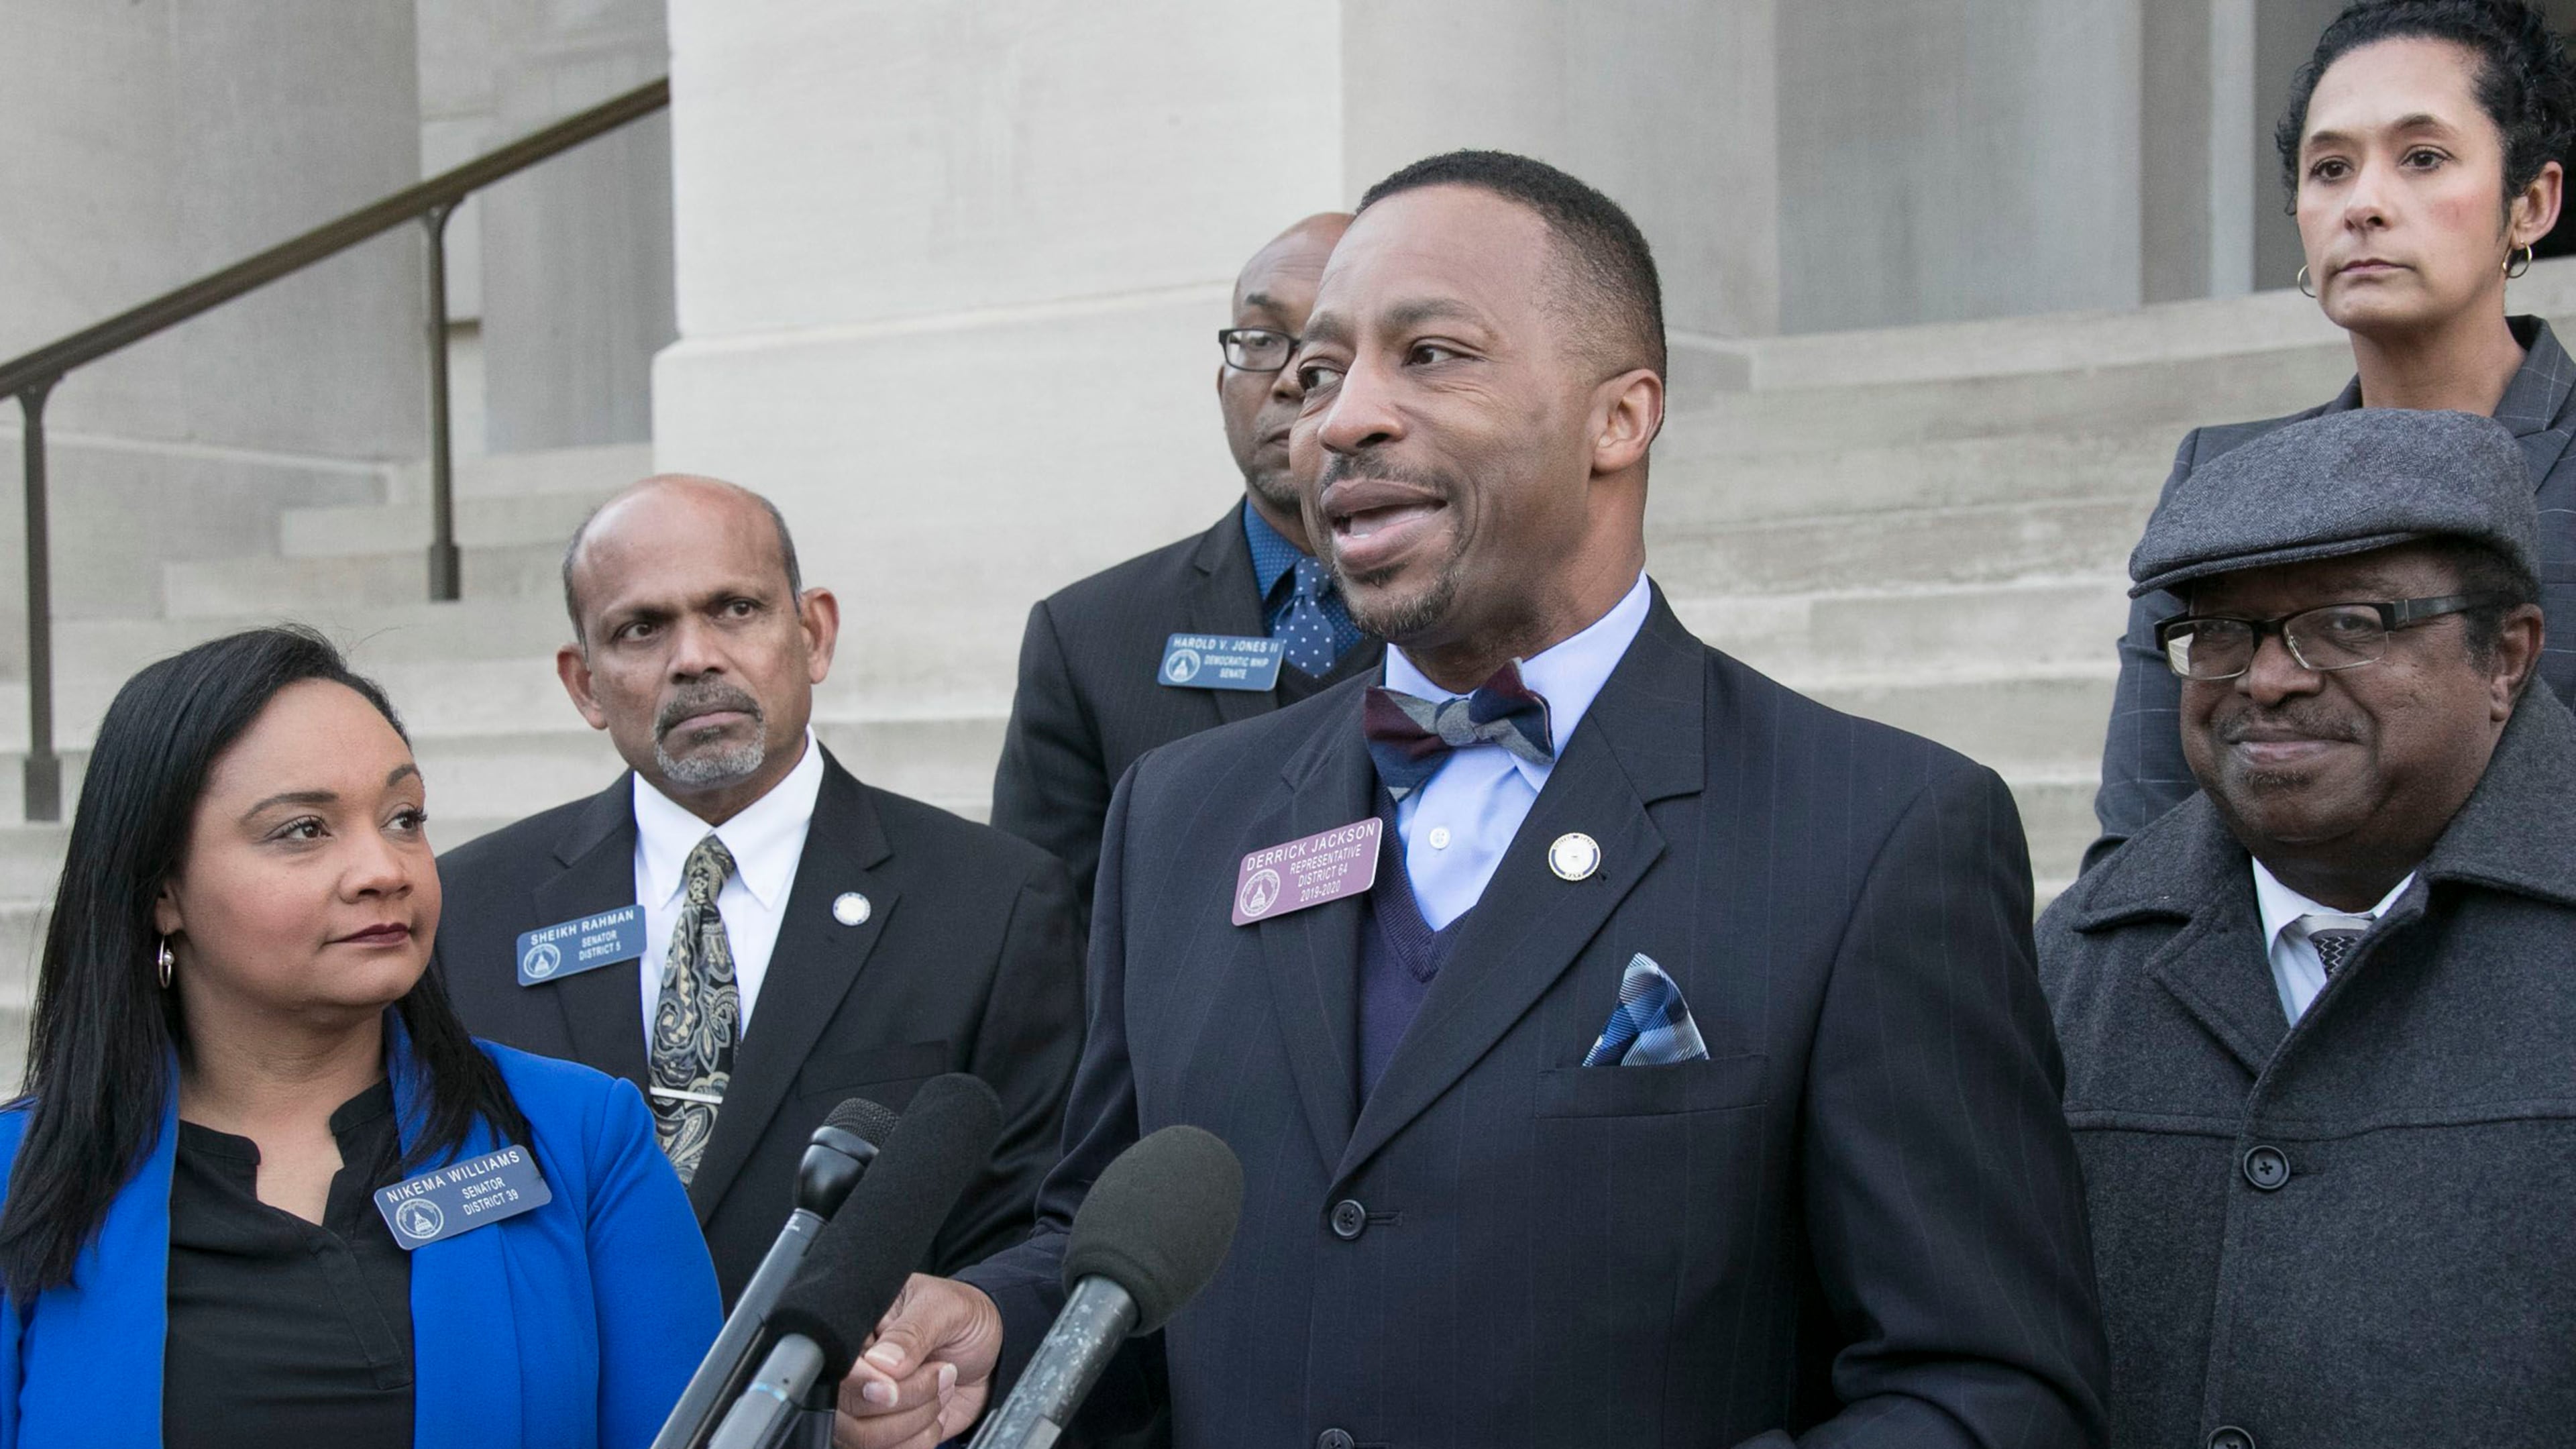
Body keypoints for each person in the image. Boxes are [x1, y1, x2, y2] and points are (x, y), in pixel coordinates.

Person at [833, 151, 2107, 1449]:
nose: (1335, 421)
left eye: (1431, 355)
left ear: (1623, 417)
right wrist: (1005, 1326)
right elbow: (1113, 1248)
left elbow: (1986, 1394)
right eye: (1319, 374)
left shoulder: (1879, 832)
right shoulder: (1177, 817)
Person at [0, 626, 718, 1448]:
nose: (386, 867)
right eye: (304, 830)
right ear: (163, 891)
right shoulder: (21, 1183)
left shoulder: (581, 1137)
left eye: (405, 817)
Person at [2043, 407, 2576, 1446]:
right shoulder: (2074, 969)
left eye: (2348, 624)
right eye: (2221, 633)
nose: (2270, 678)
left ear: (2506, 657)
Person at [435, 476, 1084, 1305]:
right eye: (641, 628)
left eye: (736, 609)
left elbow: (1035, 1228)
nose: (696, 657)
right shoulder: (471, 911)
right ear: (585, 685)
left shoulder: (996, 904)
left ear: (813, 635)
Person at [2092, 0, 2576, 867]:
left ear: (2532, 203)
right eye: (2330, 169)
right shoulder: (2224, 481)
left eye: (2423, 158)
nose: (2365, 205)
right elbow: (2141, 848)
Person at [989, 213, 1384, 923]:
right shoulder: (1087, 636)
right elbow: (1045, 944)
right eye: (1262, 341)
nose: (1294, 377)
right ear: (1222, 382)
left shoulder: (1491, 613)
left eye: (1332, 344)